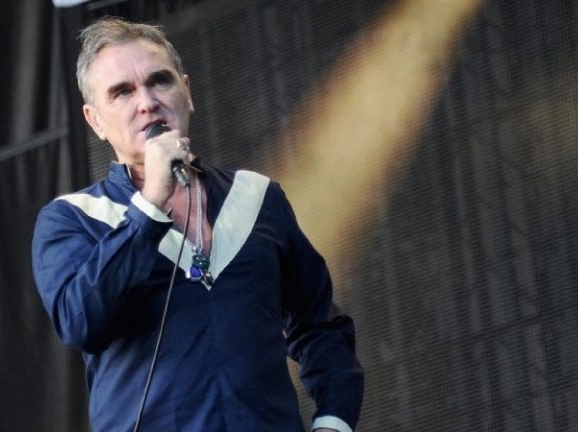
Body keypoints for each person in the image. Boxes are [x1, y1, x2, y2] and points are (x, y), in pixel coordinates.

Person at [31, 17, 364, 432]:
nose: (147, 102)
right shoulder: (73, 218)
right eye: (122, 92)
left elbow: (320, 324)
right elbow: (80, 321)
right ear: (95, 120)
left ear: (186, 92)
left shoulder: (255, 198)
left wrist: (334, 421)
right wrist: (150, 205)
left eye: (160, 81)